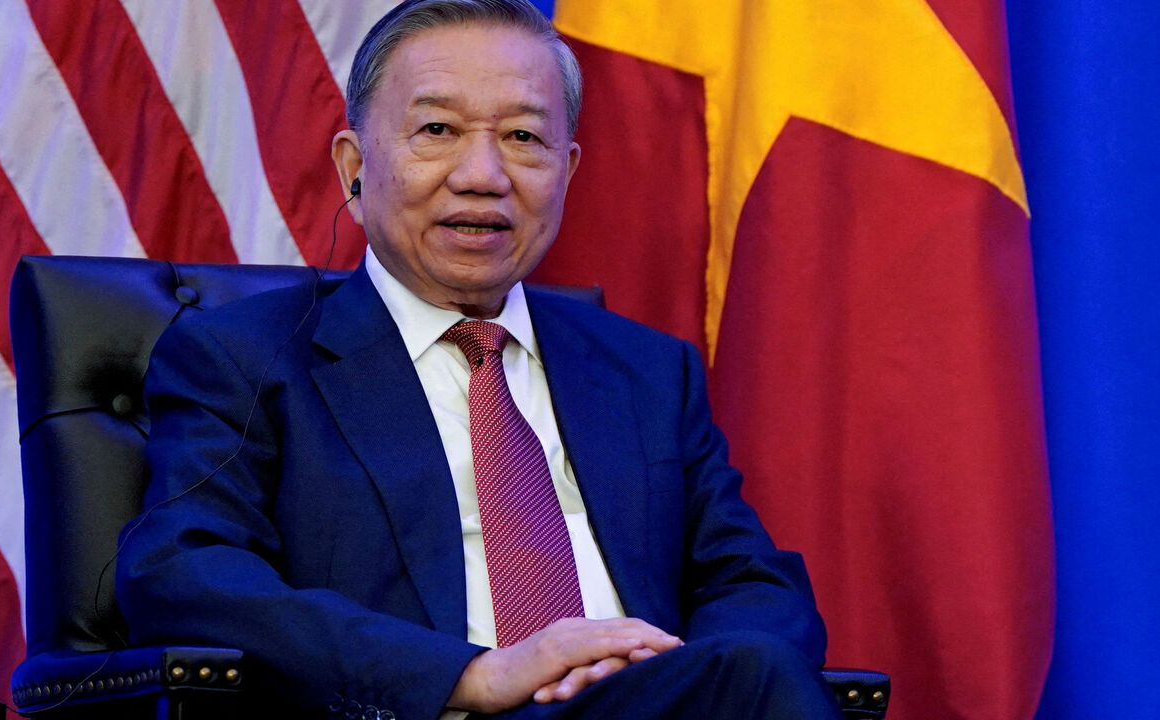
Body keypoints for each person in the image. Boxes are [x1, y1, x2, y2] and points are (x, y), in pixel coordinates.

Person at [117, 1, 841, 718]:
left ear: (567, 169)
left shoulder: (647, 374)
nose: (484, 174)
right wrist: (473, 674)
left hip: (645, 706)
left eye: (525, 137)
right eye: (437, 130)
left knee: (757, 665)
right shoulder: (243, 359)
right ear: (353, 168)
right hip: (426, 709)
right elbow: (185, 571)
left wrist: (675, 675)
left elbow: (754, 585)